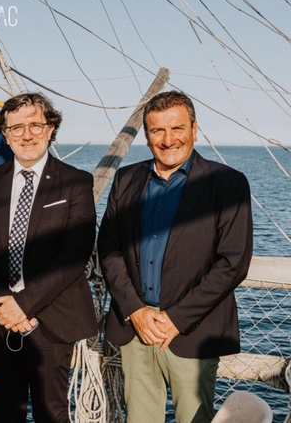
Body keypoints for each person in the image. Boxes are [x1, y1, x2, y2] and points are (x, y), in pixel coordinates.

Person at [98, 90, 253, 423]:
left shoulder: (227, 184)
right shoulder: (126, 180)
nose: (168, 140)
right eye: (157, 131)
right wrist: (135, 310)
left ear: (194, 130)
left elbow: (233, 262)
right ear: (147, 135)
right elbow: (108, 248)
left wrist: (176, 319)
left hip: (191, 331)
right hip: (136, 328)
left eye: (177, 129)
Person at [0, 93, 98, 422]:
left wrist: (24, 304)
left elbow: (75, 253)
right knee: (6, 414)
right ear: (5, 135)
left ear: (51, 129)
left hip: (50, 319)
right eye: (16, 127)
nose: (26, 135)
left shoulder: (76, 183)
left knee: (52, 414)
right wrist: (4, 302)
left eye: (35, 125)